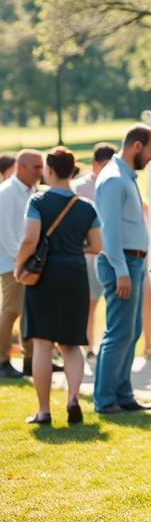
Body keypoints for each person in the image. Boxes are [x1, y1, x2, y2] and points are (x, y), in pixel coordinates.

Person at [16, 147, 103, 425]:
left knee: (42, 342)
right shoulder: (86, 207)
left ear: (50, 171)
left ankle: (44, 410)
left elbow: (30, 239)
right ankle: (73, 398)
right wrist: (75, 247)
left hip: (45, 275)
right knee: (72, 343)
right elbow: (97, 246)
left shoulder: (38, 201)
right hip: (75, 274)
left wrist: (20, 266)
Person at [93, 125, 151, 415]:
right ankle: (106, 400)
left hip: (132, 262)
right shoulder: (113, 179)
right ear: (136, 146)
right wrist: (121, 269)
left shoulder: (124, 177)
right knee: (119, 332)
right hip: (121, 263)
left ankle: (123, 394)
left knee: (131, 331)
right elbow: (109, 230)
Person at [72, 142, 117, 364]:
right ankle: (89, 346)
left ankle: (103, 347)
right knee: (90, 303)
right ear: (95, 164)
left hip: (110, 252)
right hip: (89, 254)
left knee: (111, 303)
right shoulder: (79, 188)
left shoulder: (113, 184)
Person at [0, 149, 43, 377]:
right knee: (11, 311)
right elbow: (6, 233)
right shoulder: (7, 192)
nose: (40, 171)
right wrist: (22, 261)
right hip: (11, 263)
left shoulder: (31, 191)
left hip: (27, 262)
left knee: (30, 312)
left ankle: (31, 360)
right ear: (21, 167)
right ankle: (2, 360)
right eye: (36, 167)